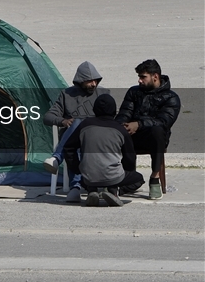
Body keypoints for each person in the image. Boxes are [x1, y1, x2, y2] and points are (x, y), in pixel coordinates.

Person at [42, 61, 109, 202]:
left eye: (95, 80)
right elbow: (48, 117)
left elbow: (111, 116)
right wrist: (63, 121)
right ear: (80, 81)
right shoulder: (66, 95)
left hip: (95, 136)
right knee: (75, 138)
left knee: (80, 124)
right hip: (73, 140)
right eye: (89, 81)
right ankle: (76, 187)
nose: (93, 84)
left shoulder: (103, 94)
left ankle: (57, 159)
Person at [115, 59, 180, 200]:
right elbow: (124, 114)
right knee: (118, 131)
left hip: (155, 139)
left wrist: (138, 124)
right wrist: (123, 126)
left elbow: (164, 122)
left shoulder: (171, 98)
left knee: (157, 131)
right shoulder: (134, 92)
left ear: (155, 77)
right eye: (139, 77)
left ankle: (155, 178)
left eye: (143, 77)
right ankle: (129, 178)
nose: (139, 80)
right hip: (132, 135)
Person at [62, 95, 143, 207]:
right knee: (139, 179)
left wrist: (76, 168)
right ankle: (114, 192)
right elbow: (130, 157)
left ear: (94, 109)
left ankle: (92, 191)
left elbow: (68, 148)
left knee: (90, 175)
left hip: (87, 177)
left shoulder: (85, 125)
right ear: (114, 111)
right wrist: (125, 171)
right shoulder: (120, 129)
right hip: (114, 176)